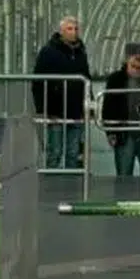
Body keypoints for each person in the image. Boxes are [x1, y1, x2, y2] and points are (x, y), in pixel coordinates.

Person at [31, 15, 92, 170]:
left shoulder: (80, 52)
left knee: (73, 151)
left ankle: (73, 184)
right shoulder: (48, 52)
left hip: (76, 109)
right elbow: (38, 81)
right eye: (69, 29)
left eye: (76, 29)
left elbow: (86, 78)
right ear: (61, 31)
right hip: (55, 109)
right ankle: (52, 183)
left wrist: (89, 105)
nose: (74, 32)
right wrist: (42, 108)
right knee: (55, 150)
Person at [101, 43, 140, 176]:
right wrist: (110, 132)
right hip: (124, 134)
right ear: (127, 58)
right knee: (124, 173)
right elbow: (108, 108)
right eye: (135, 56)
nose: (139, 58)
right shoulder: (116, 79)